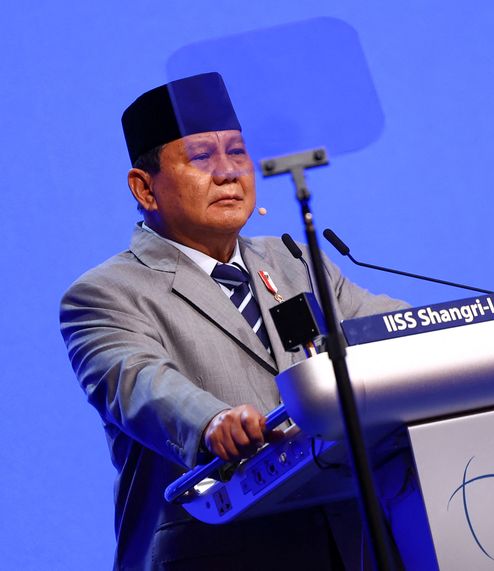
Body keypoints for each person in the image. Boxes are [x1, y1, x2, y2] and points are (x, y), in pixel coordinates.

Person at [60, 72, 407, 570]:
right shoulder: (104, 293)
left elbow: (386, 327)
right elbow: (139, 382)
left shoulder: (291, 260)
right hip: (217, 551)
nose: (229, 173)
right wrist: (212, 422)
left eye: (238, 153)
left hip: (351, 543)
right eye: (201, 157)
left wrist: (481, 325)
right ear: (145, 188)